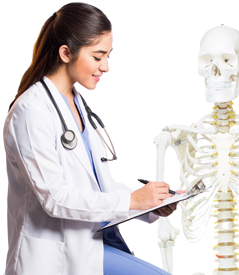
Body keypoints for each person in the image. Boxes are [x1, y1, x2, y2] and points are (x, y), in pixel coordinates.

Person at [3, 3, 182, 275]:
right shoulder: (31, 111)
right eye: (98, 57)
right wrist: (133, 201)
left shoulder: (77, 105)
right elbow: (55, 198)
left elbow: (99, 186)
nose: (106, 67)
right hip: (56, 256)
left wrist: (152, 203)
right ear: (66, 53)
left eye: (109, 56)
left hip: (92, 244)